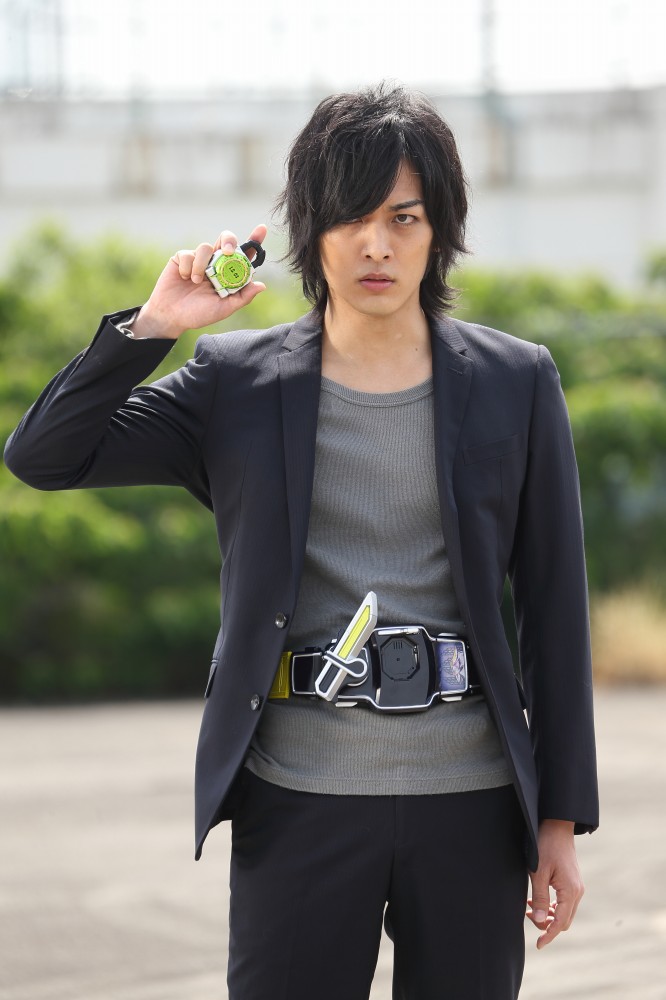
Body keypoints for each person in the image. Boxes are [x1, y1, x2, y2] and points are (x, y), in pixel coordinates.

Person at [4, 83, 598, 999]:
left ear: (440, 229)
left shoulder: (515, 380)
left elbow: (555, 610)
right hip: (296, 795)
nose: (376, 245)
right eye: (351, 216)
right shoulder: (237, 383)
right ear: (310, 231)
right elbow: (45, 456)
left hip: (472, 801)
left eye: (404, 217)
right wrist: (153, 328)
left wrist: (559, 819)